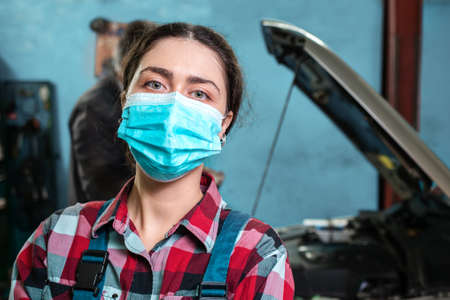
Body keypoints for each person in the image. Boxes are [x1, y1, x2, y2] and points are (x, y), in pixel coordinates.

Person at [10, 22, 295, 299]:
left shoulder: (256, 255)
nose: (173, 107)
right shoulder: (55, 238)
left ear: (222, 125)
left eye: (199, 93)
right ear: (126, 104)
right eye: (155, 84)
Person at [68, 20, 154, 204]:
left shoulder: (138, 102)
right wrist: (161, 193)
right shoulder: (93, 108)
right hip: (103, 226)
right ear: (126, 64)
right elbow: (101, 187)